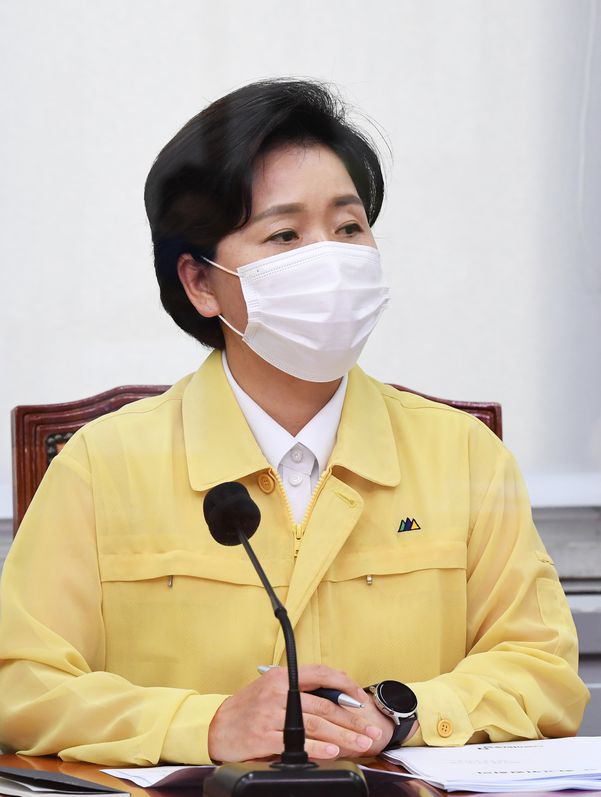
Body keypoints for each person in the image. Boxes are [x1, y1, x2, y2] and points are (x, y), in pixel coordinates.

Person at [0, 79, 589, 766]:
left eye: (348, 228)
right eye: (284, 234)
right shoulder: (103, 465)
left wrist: (398, 713)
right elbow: (21, 682)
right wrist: (205, 724)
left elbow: (542, 671)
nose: (331, 261)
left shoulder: (462, 455)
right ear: (200, 282)